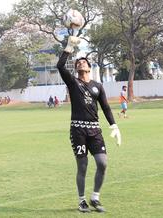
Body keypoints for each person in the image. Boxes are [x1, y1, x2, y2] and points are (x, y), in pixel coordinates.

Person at [57, 36, 121, 213]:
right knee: (83, 166)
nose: (81, 63)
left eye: (84, 62)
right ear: (77, 69)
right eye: (78, 62)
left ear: (89, 67)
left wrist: (114, 126)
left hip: (94, 130)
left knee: (102, 163)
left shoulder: (97, 86)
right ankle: (82, 201)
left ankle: (95, 197)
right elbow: (60, 66)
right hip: (78, 130)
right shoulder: (73, 82)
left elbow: (106, 107)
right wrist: (69, 47)